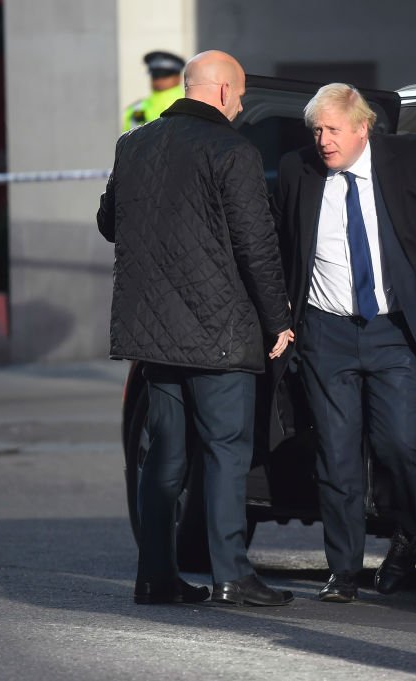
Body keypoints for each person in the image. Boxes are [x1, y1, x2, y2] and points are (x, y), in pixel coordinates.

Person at [98, 50, 296, 607]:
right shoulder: (233, 150)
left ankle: (155, 576)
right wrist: (279, 320)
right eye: (241, 97)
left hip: (155, 335)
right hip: (220, 334)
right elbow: (256, 246)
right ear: (226, 92)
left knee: (164, 457)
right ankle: (231, 575)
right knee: (227, 452)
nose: (240, 107)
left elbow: (109, 223)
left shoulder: (132, 145)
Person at [272, 83, 416, 603]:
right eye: (317, 130)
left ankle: (407, 534)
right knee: (336, 456)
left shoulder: (411, 158)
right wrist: (280, 319)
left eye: (333, 130)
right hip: (325, 332)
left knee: (402, 443)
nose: (323, 140)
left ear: (363, 128)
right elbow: (278, 248)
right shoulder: (297, 171)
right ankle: (342, 570)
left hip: (395, 330)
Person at [122, 51, 186, 131]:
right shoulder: (136, 109)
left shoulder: (188, 104)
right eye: (155, 75)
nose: (159, 79)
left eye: (165, 75)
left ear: (178, 77)